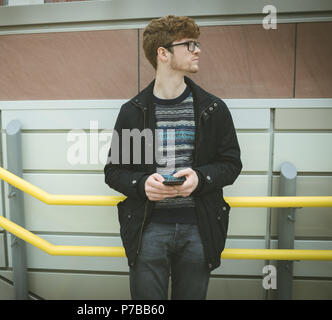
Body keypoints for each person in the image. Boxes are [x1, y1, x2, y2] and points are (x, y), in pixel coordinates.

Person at [104, 15, 242, 300]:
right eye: (189, 44)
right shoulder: (134, 111)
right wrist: (142, 185)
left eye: (197, 43)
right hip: (148, 229)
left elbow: (230, 164)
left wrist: (201, 179)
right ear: (163, 53)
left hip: (199, 228)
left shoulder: (213, 109)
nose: (198, 50)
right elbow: (115, 171)